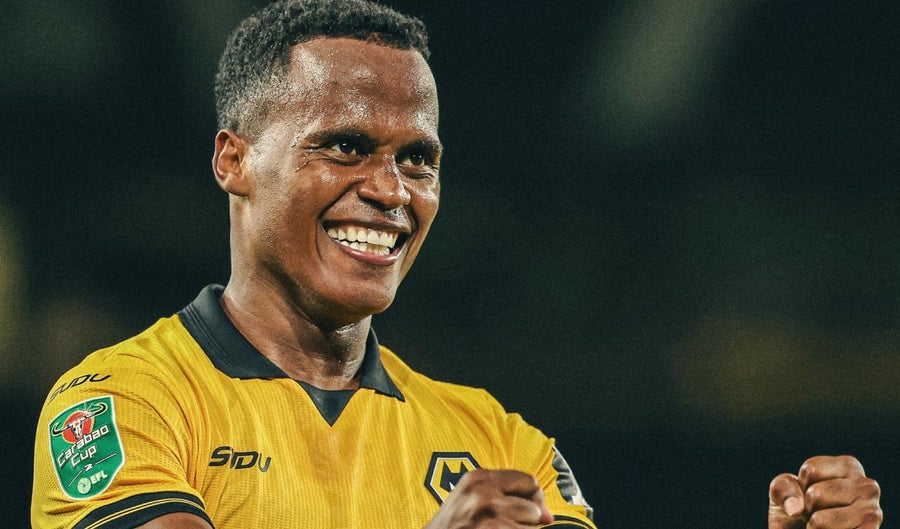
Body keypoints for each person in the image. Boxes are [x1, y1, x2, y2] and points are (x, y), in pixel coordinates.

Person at [31, 1, 882, 528]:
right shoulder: (120, 403)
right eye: (346, 146)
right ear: (235, 160)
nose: (390, 190)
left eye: (418, 159)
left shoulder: (500, 441)